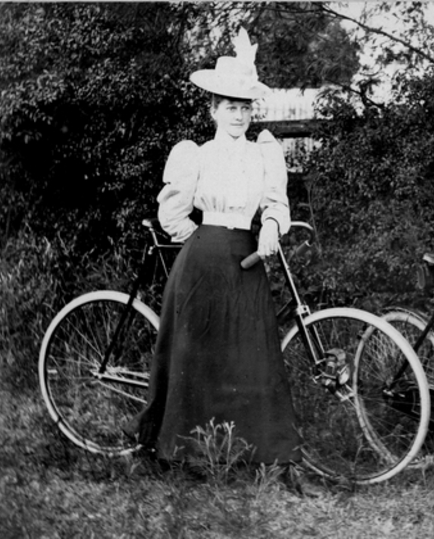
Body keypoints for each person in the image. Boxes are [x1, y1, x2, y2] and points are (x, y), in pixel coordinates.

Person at [127, 29, 314, 495]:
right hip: (203, 260)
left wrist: (271, 228)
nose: (237, 115)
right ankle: (184, 451)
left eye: (244, 106)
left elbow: (275, 203)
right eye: (229, 106)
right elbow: (172, 208)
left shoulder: (264, 153)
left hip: (246, 259)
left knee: (250, 352)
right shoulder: (196, 154)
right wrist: (198, 240)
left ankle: (256, 451)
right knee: (195, 352)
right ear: (212, 109)